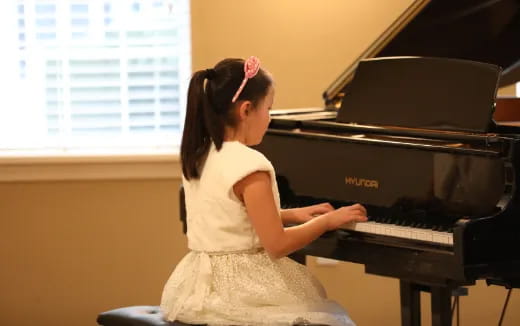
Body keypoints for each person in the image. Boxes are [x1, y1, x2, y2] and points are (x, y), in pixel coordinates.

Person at [160, 56, 368, 326]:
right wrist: (326, 220)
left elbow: (232, 218)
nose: (269, 118)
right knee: (332, 320)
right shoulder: (250, 164)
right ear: (246, 110)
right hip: (241, 291)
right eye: (268, 108)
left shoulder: (200, 154)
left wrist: (292, 214)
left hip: (197, 287)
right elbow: (278, 245)